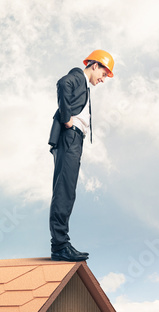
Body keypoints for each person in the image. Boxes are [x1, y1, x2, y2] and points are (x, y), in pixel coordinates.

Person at [48, 49, 114, 262]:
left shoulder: (84, 85)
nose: (103, 80)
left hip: (74, 140)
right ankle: (60, 246)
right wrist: (67, 117)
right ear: (95, 65)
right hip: (69, 137)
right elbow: (62, 83)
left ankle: (61, 244)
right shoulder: (77, 76)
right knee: (64, 190)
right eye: (104, 74)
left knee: (67, 190)